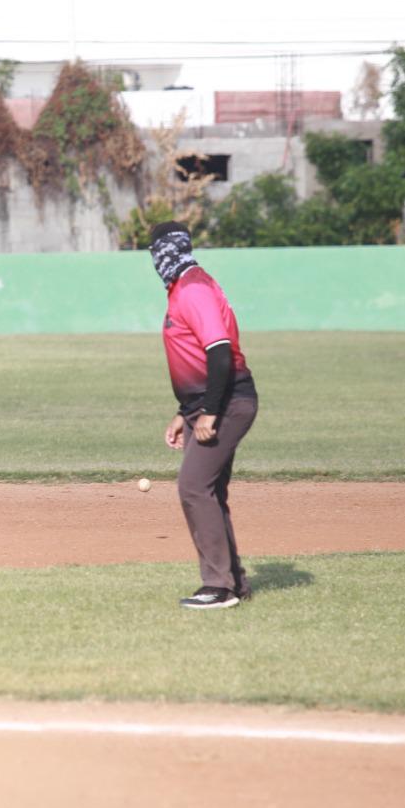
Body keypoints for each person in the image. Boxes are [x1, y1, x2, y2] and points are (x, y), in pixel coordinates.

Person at [148, 222, 259, 610]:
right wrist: (185, 413)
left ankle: (218, 586)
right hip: (203, 406)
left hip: (227, 403)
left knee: (193, 487)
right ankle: (234, 581)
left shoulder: (193, 287)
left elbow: (218, 352)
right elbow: (192, 355)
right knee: (210, 492)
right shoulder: (185, 286)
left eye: (157, 251)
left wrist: (210, 411)